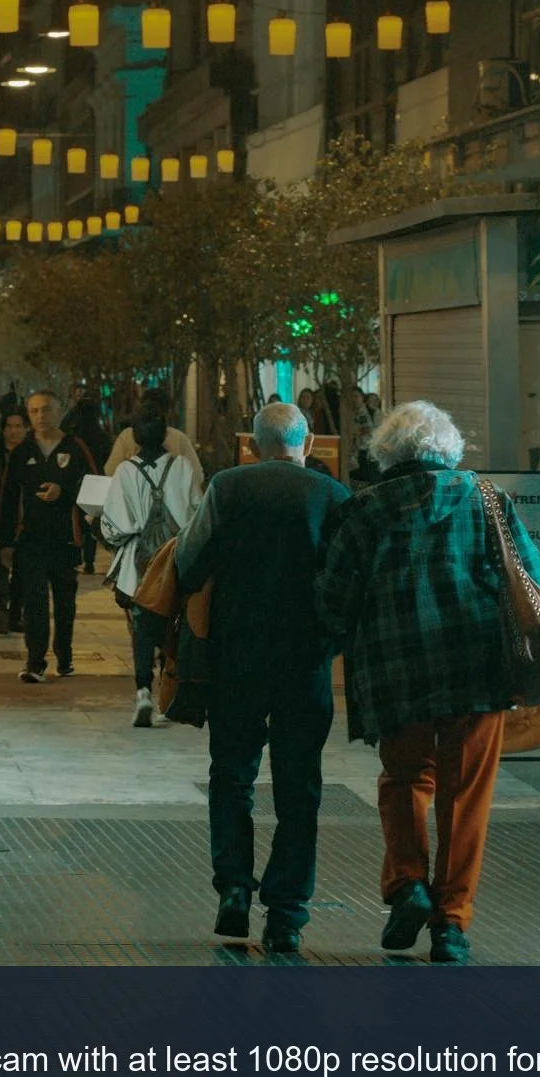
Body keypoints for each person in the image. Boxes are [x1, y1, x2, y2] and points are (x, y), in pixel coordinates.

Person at [315, 400, 540, 964]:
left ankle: (408, 885)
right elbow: (533, 580)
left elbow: (332, 602)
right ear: (449, 450)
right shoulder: (486, 499)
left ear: (386, 453)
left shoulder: (362, 512)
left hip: (396, 672)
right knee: (464, 793)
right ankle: (451, 923)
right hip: (477, 670)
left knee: (404, 778)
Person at [175, 403, 349, 954]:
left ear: (251, 445)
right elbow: (348, 583)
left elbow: (188, 563)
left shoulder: (227, 488)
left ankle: (233, 888)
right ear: (309, 442)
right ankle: (286, 915)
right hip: (305, 662)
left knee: (232, 775)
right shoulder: (332, 496)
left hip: (236, 657)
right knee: (300, 787)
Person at [100, 410, 202, 727]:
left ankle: (143, 691)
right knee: (174, 626)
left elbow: (115, 526)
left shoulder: (125, 471)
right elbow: (197, 512)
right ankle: (168, 696)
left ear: (134, 437)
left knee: (142, 628)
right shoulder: (182, 466)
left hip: (139, 564)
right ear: (166, 435)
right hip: (175, 558)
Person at [3, 389, 98, 683]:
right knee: (34, 601)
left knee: (65, 601)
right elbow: (8, 497)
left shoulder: (75, 447)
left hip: (65, 539)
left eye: (46, 409)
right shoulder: (22, 452)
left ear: (58, 411)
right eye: (34, 411)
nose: (40, 416)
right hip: (30, 540)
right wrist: (4, 542)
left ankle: (64, 656)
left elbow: (95, 487)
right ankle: (35, 662)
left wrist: (64, 493)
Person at [0, 406, 30, 635]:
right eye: (10, 426)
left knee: (22, 566)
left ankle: (15, 613)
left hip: (24, 517)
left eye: (18, 426)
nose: (13, 431)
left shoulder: (32, 452)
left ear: (26, 428)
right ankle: (1, 607)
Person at [105, 387, 204, 487]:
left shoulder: (127, 436)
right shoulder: (179, 439)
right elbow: (197, 477)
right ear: (168, 414)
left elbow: (110, 473)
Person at [62, 385, 114, 574]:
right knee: (91, 519)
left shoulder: (71, 435)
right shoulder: (102, 436)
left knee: (74, 520)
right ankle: (90, 561)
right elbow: (108, 456)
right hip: (95, 482)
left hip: (74, 481)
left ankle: (75, 557)